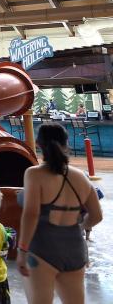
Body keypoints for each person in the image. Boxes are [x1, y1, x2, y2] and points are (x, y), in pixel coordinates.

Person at [18, 122, 103, 304]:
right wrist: (79, 227)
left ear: (39, 145)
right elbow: (96, 216)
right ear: (67, 144)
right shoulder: (81, 176)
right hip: (74, 250)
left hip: (42, 249)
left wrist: (22, 250)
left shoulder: (34, 174)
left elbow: (31, 214)